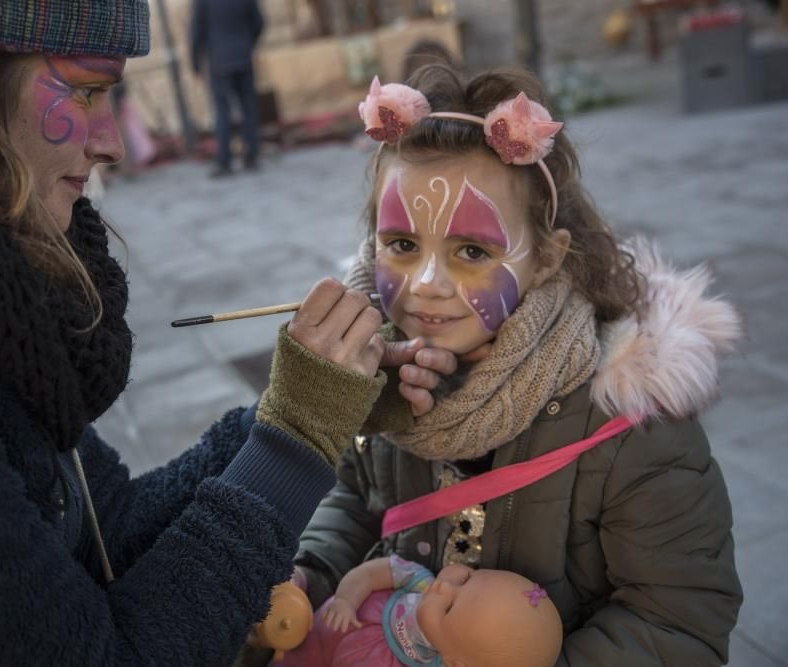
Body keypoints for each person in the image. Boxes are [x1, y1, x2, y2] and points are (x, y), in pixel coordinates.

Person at [0, 3, 455, 665]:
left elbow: (107, 531)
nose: (109, 141)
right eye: (83, 90)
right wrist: (294, 441)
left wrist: (306, 411)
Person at [290, 66, 744, 665]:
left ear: (549, 258)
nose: (426, 286)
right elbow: (355, 497)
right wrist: (312, 577)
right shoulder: (377, 369)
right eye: (402, 245)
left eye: (472, 251)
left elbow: (679, 620)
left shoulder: (633, 425)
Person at [277, 556, 562, 666]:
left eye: (448, 608)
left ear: (455, 662)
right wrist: (345, 600)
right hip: (317, 630)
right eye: (467, 577)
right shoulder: (419, 582)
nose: (445, 587)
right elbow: (370, 573)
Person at [190, 0, 265, 177]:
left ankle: (225, 161)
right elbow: (259, 22)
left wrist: (195, 61)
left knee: (222, 111)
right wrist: (247, 43)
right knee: (249, 108)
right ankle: (251, 156)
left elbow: (196, 30)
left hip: (219, 60)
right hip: (243, 57)